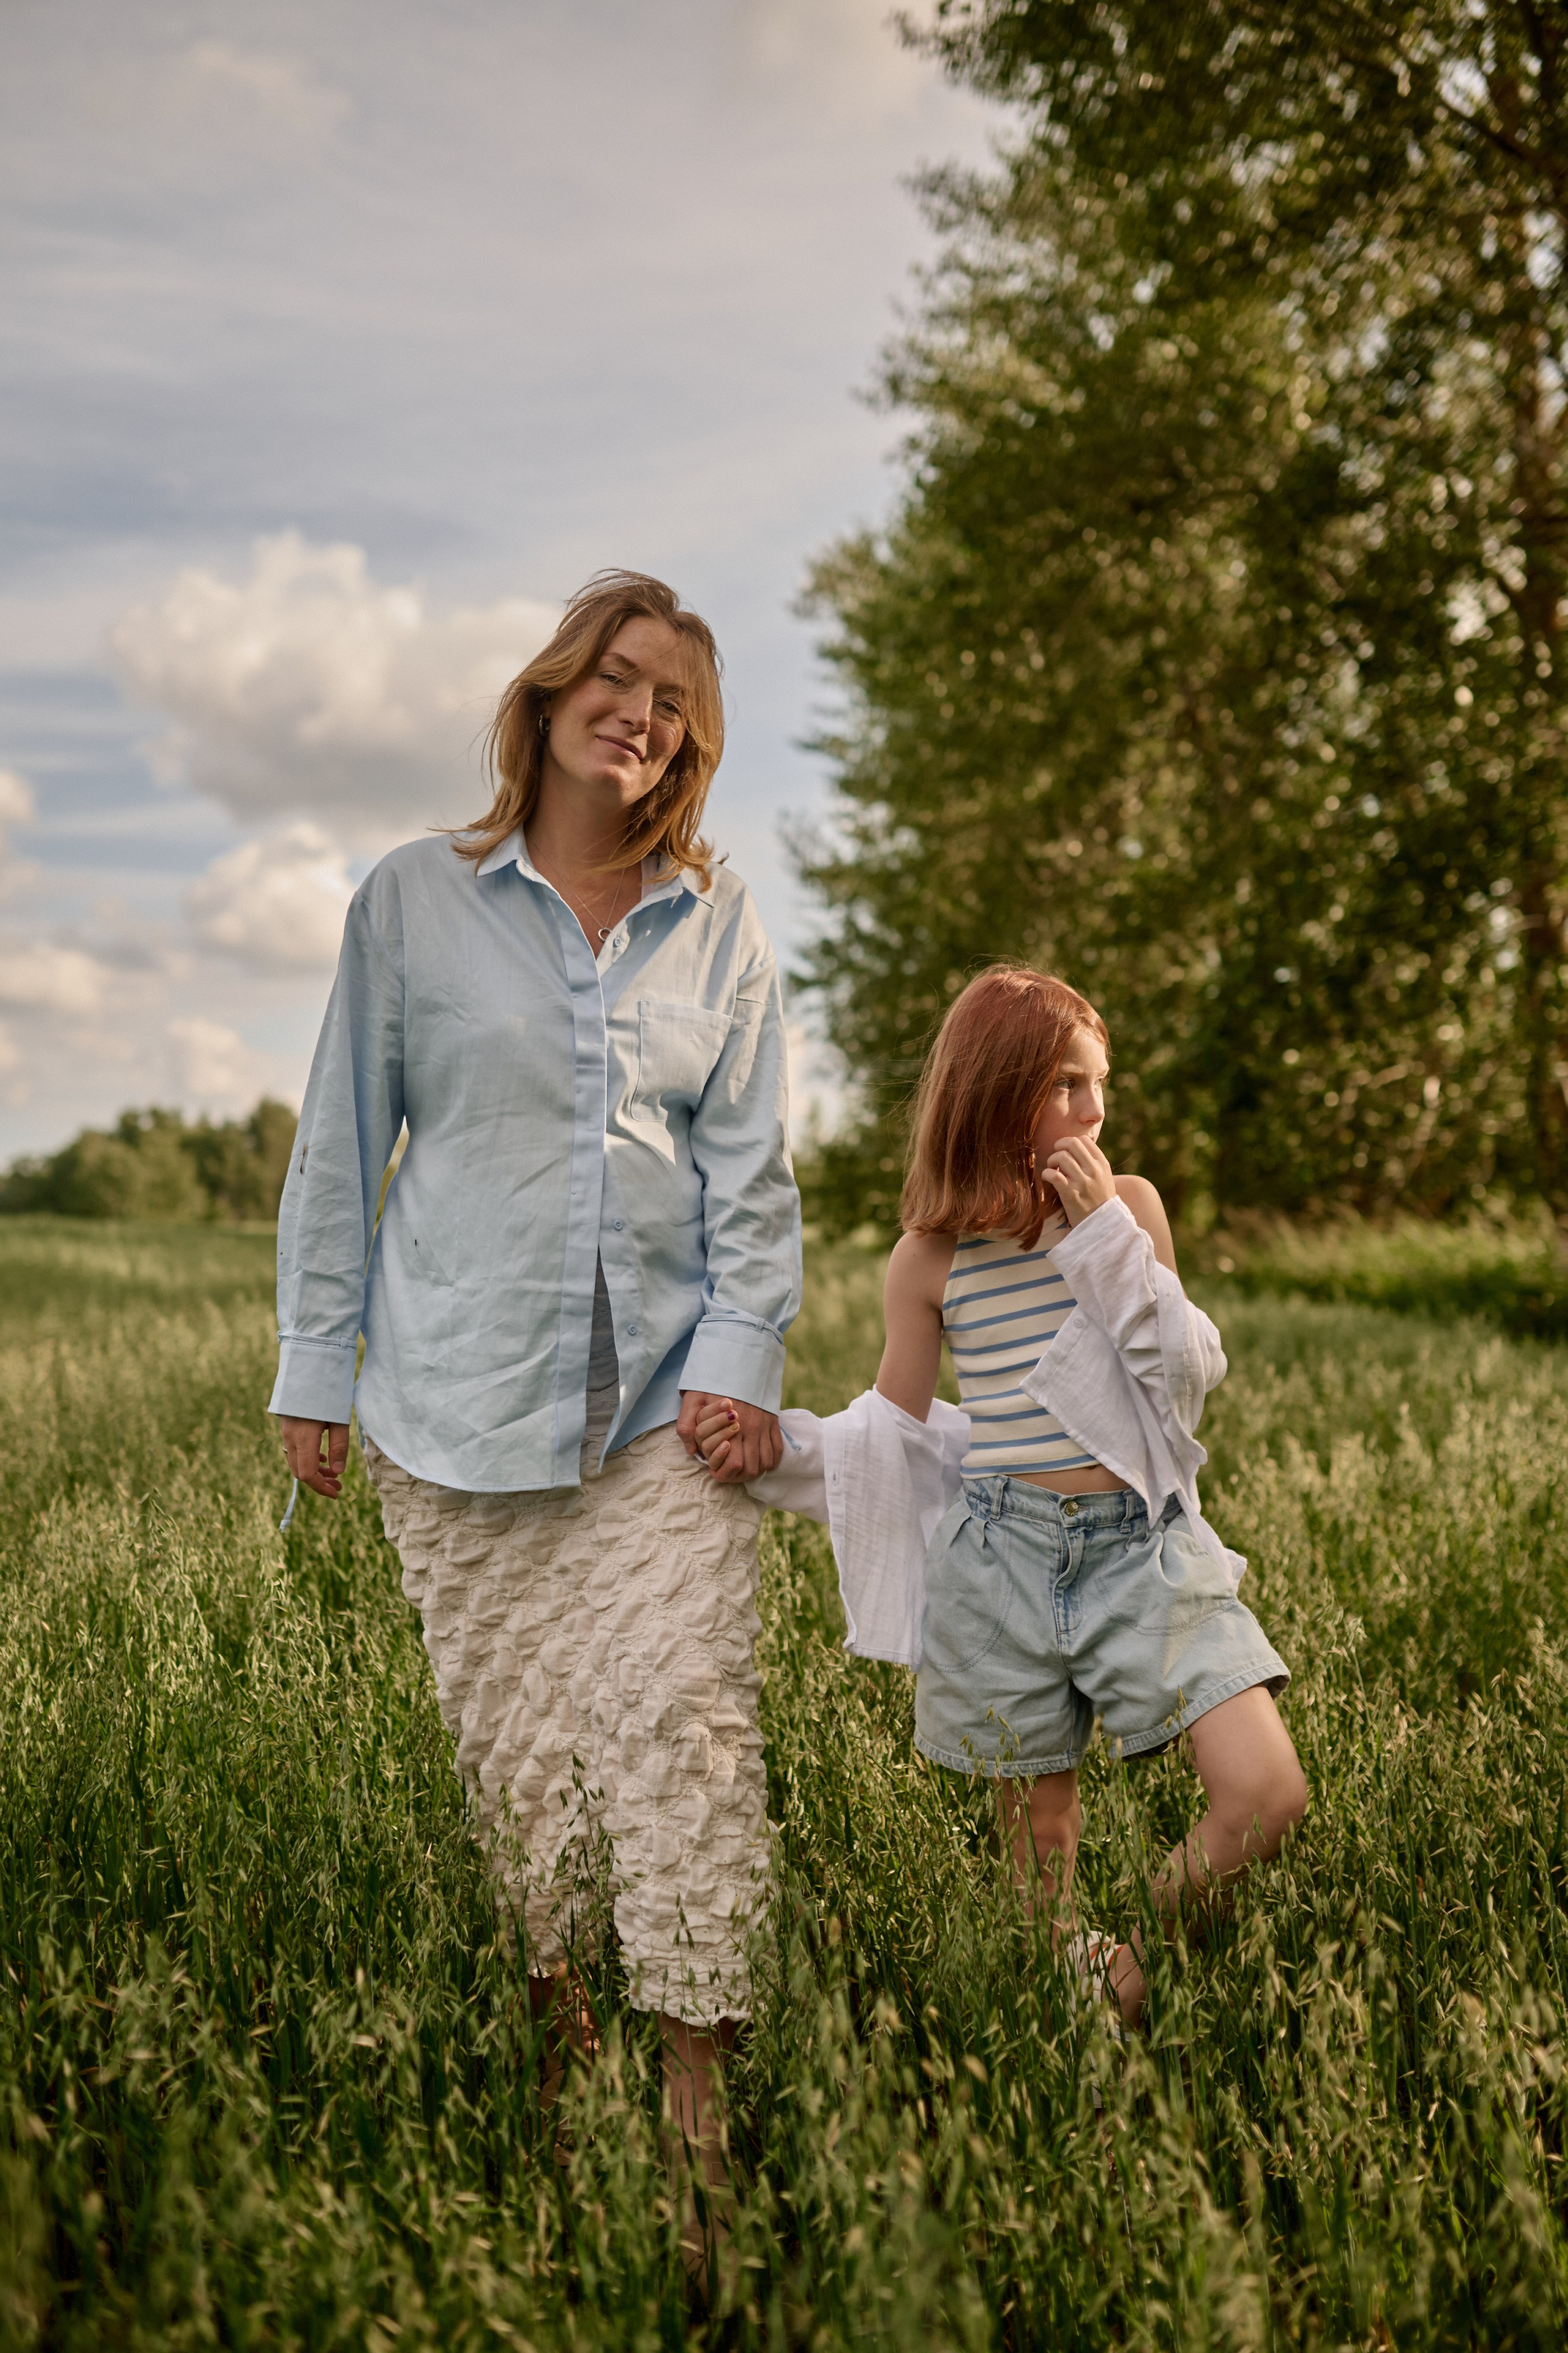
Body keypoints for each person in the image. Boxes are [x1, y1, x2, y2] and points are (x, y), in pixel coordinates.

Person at [271, 570, 801, 2158]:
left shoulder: (720, 926)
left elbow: (753, 1183)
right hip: (453, 1402)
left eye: (676, 701)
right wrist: (316, 1359)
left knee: (684, 1729)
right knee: (524, 1759)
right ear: (556, 689)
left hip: (666, 1414)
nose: (640, 711)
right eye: (620, 677)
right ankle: (568, 2059)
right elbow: (343, 1141)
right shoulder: (413, 900)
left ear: (691, 746)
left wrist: (744, 1358)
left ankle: (695, 2105)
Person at [695, 965, 1305, 2028]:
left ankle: (1129, 1966)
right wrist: (773, 1442)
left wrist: (1106, 1239)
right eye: (1068, 1083)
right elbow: (890, 1439)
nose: (1096, 1109)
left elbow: (1186, 1370)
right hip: (1004, 1561)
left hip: (1143, 1550)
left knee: (1264, 1793)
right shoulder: (931, 1261)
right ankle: (1077, 2014)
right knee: (1039, 1848)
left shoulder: (1131, 1212)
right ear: (994, 1090)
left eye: (1099, 1083)